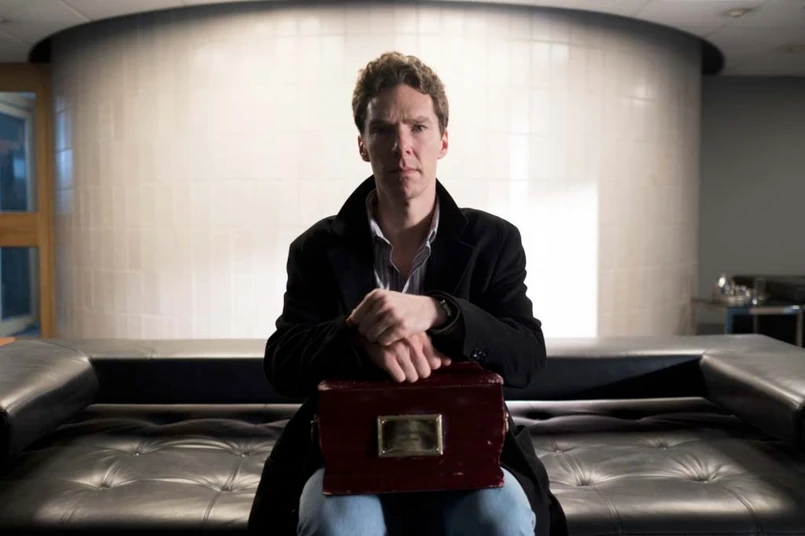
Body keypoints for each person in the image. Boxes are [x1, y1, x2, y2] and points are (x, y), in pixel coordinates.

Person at [248, 51, 563, 536]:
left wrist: (440, 312)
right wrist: (357, 338)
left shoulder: (494, 241)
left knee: (500, 518)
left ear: (443, 140)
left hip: (469, 447)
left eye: (418, 127)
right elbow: (282, 363)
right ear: (362, 144)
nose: (402, 147)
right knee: (338, 522)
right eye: (383, 130)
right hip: (348, 453)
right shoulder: (315, 248)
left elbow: (526, 356)